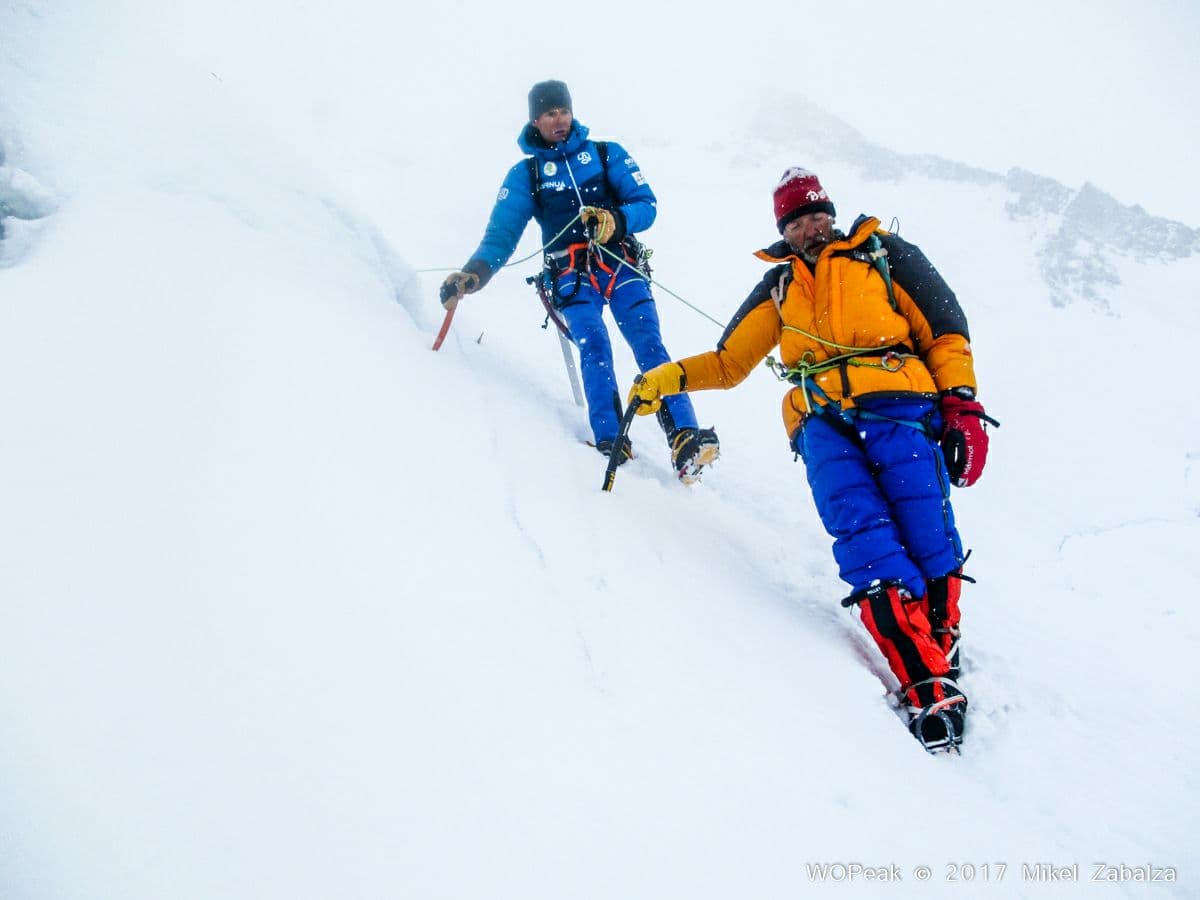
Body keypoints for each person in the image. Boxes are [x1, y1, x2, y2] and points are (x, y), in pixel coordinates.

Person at [626, 168, 997, 751]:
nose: (809, 227)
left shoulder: (885, 254)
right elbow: (729, 362)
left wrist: (963, 405)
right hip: (821, 423)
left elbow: (946, 332)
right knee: (864, 539)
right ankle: (926, 682)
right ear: (784, 229)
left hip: (900, 404)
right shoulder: (779, 287)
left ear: (832, 212)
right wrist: (665, 379)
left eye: (815, 214)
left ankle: (939, 640)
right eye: (795, 221)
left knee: (924, 531)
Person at [440, 80, 719, 483]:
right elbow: (501, 237)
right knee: (594, 344)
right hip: (571, 277)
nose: (559, 120)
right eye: (550, 113)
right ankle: (610, 440)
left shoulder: (606, 154)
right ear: (535, 120)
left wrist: (615, 221)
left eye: (564, 111)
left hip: (619, 264)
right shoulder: (527, 175)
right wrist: (473, 275)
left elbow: (646, 205)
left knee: (648, 342)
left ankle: (684, 438)